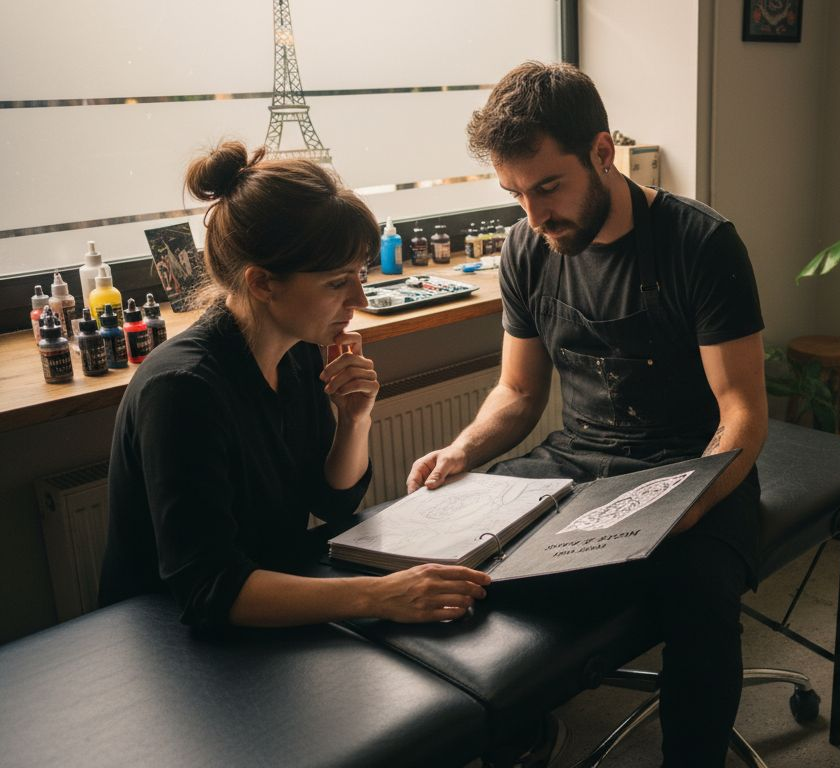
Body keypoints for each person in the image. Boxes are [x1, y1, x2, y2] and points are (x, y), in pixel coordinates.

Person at [407, 62, 767, 766]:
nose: (534, 216)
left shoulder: (701, 243)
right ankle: (523, 737)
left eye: (548, 188)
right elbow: (518, 394)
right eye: (515, 195)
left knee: (700, 602)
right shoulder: (527, 247)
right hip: (578, 459)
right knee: (458, 558)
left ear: (603, 152)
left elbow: (743, 414)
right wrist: (461, 452)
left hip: (697, 467)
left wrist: (685, 503)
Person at [100, 141, 491, 629]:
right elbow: (208, 588)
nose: (359, 297)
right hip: (167, 629)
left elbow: (331, 502)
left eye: (359, 274)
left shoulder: (299, 350)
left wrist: (354, 419)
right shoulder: (183, 390)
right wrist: (380, 595)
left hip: (270, 582)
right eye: (337, 282)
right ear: (263, 283)